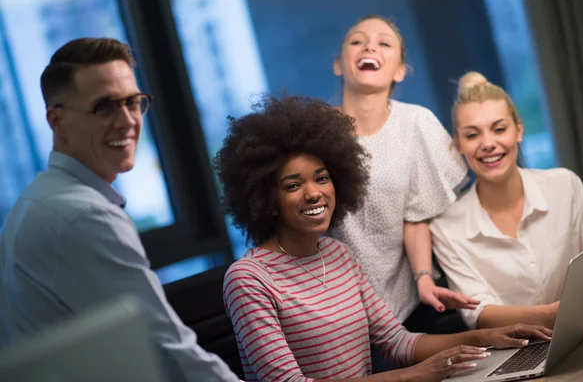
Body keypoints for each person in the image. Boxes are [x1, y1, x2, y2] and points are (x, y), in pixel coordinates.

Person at [216, 95, 552, 382]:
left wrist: (487, 337)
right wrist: (411, 376)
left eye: (322, 178)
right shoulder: (248, 280)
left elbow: (397, 342)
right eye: (293, 185)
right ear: (265, 198)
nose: (314, 193)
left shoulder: (337, 254)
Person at [0, 38, 239, 382]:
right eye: (104, 107)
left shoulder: (34, 202)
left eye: (133, 102)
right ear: (57, 121)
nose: (127, 121)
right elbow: (169, 354)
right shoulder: (83, 216)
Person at [331, 15, 476, 330]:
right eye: (357, 41)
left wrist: (424, 278)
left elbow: (417, 213)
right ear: (339, 64)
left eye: (384, 43)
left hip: (409, 306)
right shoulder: (314, 133)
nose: (370, 46)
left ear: (400, 71)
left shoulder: (416, 124)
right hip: (335, 309)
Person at [430, 71, 583, 330]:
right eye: (472, 135)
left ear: (519, 130)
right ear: (458, 145)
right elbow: (479, 312)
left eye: (499, 129)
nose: (488, 143)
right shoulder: (446, 227)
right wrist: (552, 315)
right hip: (512, 353)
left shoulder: (565, 186)